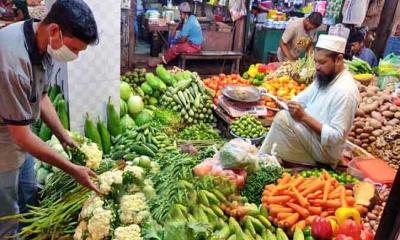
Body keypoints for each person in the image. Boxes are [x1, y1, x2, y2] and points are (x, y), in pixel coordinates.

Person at [0, 0, 100, 237]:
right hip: (4, 138)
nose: (74, 55)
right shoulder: (11, 62)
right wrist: (71, 168)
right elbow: (21, 136)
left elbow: (41, 95)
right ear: (55, 30)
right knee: (6, 210)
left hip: (19, 126)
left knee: (28, 193)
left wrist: (62, 135)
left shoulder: (42, 42)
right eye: (74, 49)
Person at [260, 34, 360, 168]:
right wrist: (284, 102)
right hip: (310, 134)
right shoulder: (325, 77)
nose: (317, 67)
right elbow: (300, 100)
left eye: (322, 62)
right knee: (283, 117)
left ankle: (266, 159)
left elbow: (336, 137)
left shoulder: (346, 92)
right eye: (316, 61)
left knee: (283, 119)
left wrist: (304, 117)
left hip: (325, 151)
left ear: (338, 59)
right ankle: (268, 158)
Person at [148, 2, 203, 67]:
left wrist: (175, 41)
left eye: (180, 14)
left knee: (175, 48)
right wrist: (177, 27)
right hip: (195, 45)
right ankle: (165, 58)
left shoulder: (188, 24)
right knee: (175, 43)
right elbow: (180, 24)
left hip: (194, 47)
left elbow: (182, 40)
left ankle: (160, 61)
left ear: (183, 13)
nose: (180, 15)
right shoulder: (192, 17)